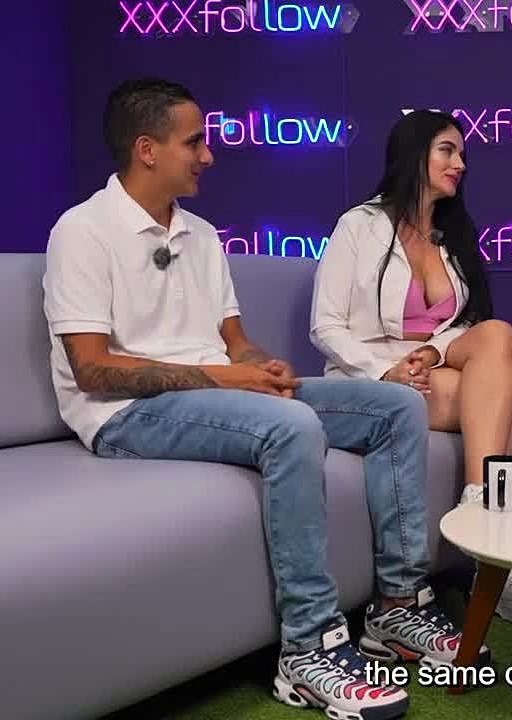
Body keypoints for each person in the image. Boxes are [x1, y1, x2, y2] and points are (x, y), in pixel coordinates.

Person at [42, 78, 481, 720]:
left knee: (396, 407)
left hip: (213, 394)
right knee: (290, 426)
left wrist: (259, 367)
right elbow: (92, 369)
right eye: (194, 142)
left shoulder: (201, 234)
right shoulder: (83, 231)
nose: (208, 154)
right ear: (147, 149)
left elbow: (234, 344)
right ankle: (307, 647)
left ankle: (397, 604)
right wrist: (228, 379)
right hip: (124, 414)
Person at [309, 110, 512, 624]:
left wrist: (432, 352)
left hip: (433, 366)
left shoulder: (453, 235)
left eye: (463, 154)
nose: (460, 163)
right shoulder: (358, 225)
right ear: (414, 154)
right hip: (368, 377)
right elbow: (325, 325)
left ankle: (479, 506)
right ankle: (496, 558)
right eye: (447, 150)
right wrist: (384, 370)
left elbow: (463, 323)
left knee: (497, 333)